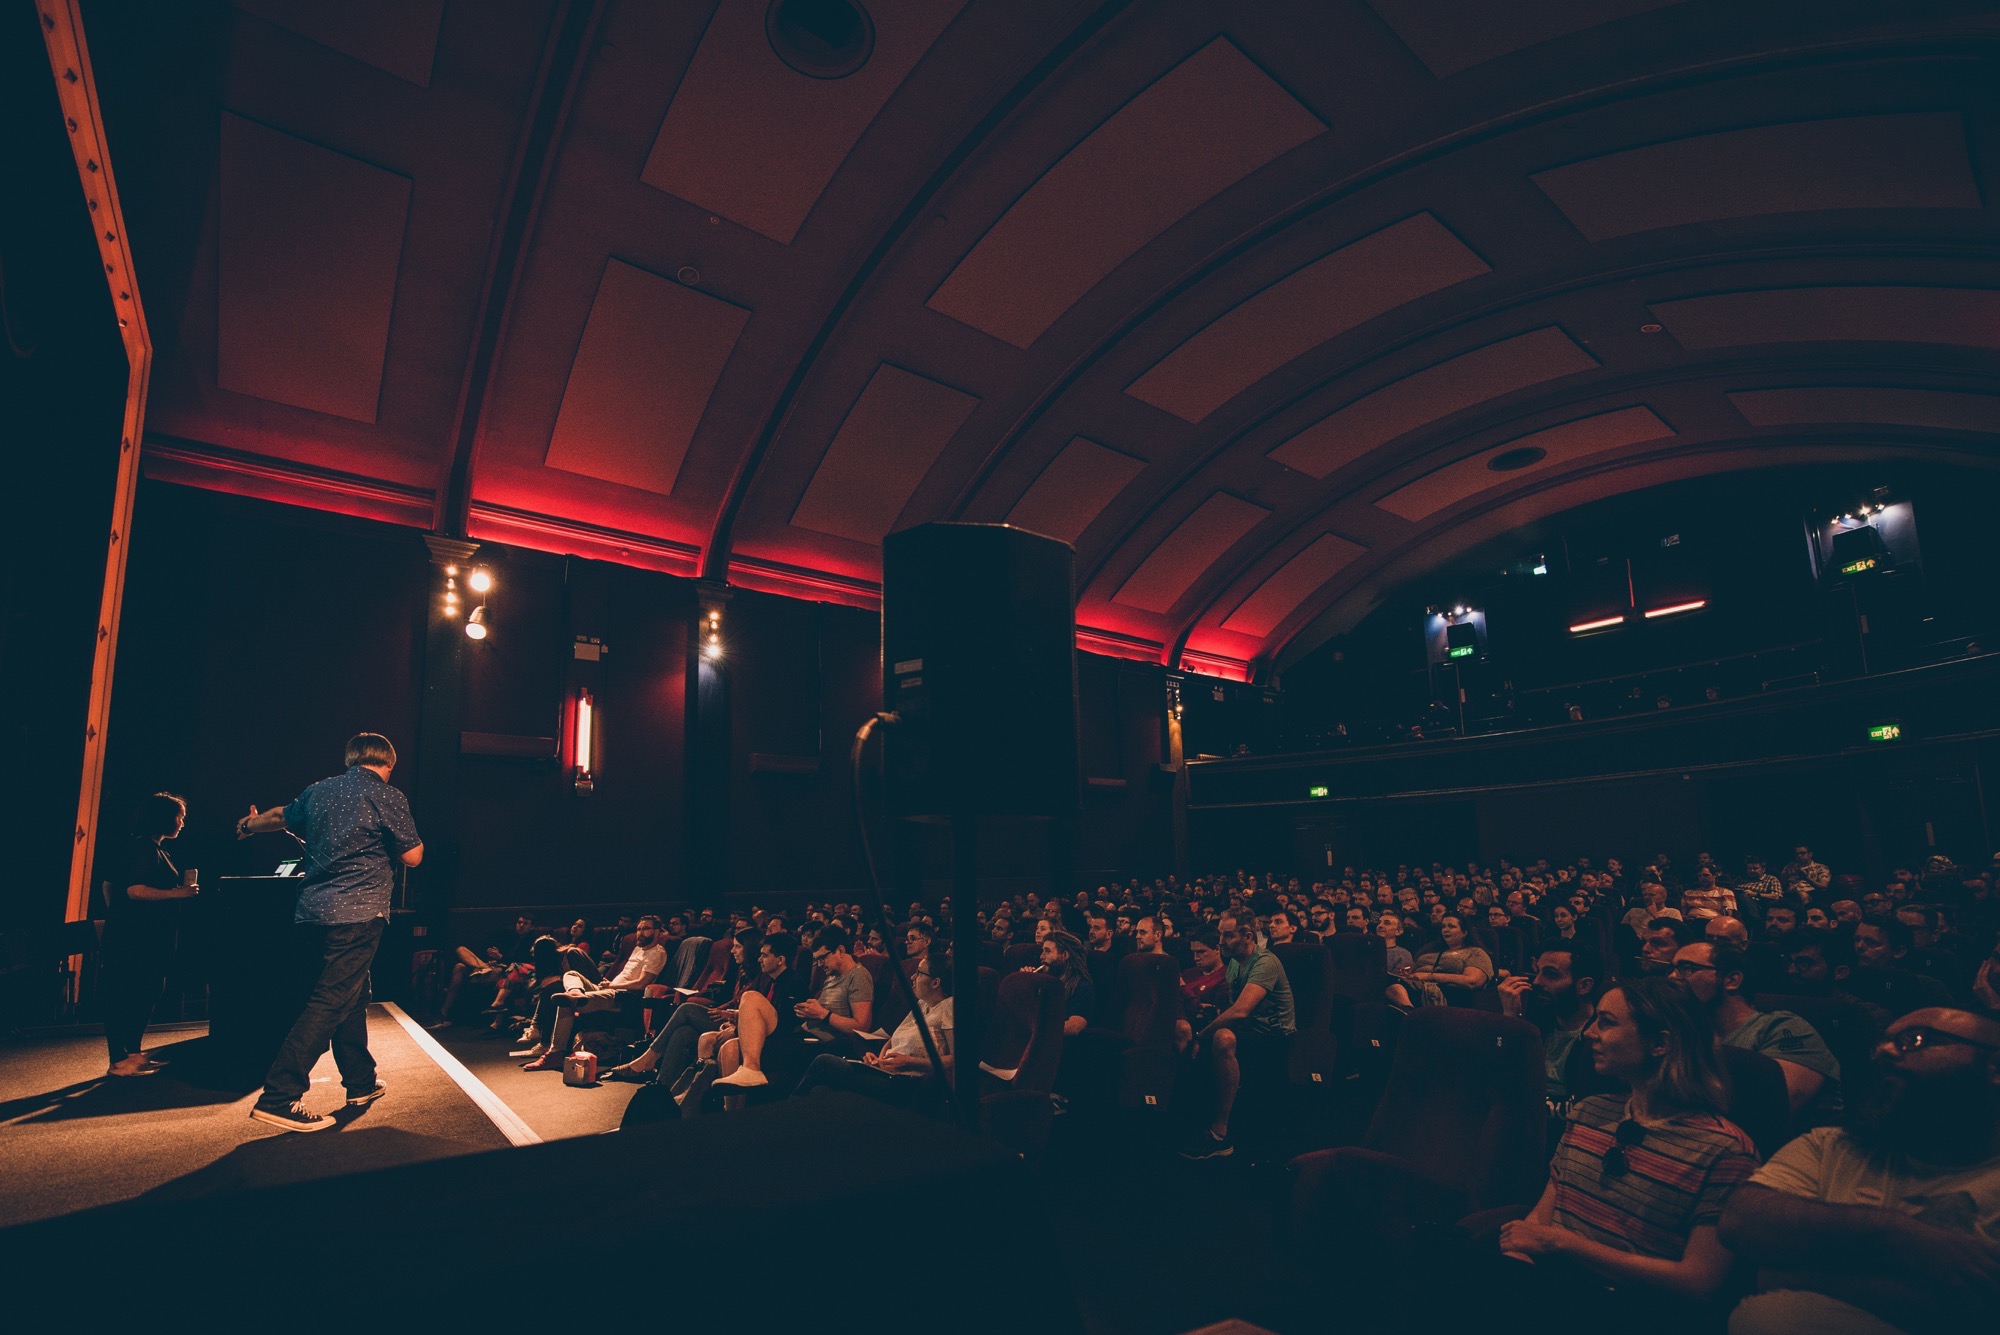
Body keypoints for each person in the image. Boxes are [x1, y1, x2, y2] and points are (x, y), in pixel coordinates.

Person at [1721, 1008, 2000, 1334]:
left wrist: (1791, 1276)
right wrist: (1896, 1235)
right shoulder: (1832, 1144)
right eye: (1880, 1044)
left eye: (1914, 1041)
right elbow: (1742, 1219)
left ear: (1994, 1068)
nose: (1885, 1051)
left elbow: (1976, 1312)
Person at [1498, 977, 1757, 1305]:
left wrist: (1564, 1244)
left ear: (1659, 1043)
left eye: (1605, 1023)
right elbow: (1543, 1218)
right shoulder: (1589, 1112)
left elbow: (1699, 1280)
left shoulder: (1724, 1151)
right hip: (1551, 1287)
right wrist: (1518, 1259)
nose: (1590, 1033)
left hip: (1633, 1309)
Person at [235, 733, 422, 1132]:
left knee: (353, 994)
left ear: (351, 759)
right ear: (388, 763)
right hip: (358, 913)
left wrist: (249, 824)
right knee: (331, 1000)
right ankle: (279, 1096)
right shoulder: (388, 796)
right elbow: (414, 855)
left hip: (313, 913)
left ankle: (361, 1082)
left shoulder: (319, 791)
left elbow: (277, 817)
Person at [1672, 942, 1841, 1125]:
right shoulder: (1687, 1034)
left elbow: (1769, 1111)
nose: (1672, 977)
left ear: (1731, 980)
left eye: (1687, 969)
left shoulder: (1781, 1028)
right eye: (1672, 969)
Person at [100, 791, 200, 1077]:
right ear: (164, 818)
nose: (182, 822)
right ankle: (121, 1061)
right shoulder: (143, 849)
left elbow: (109, 886)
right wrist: (177, 893)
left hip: (137, 936)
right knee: (132, 994)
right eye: (179, 816)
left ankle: (132, 1054)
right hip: (135, 940)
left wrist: (119, 917)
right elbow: (135, 890)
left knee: (144, 991)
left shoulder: (150, 848)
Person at [1182, 910, 1294, 1159]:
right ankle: (1189, 1119)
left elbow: (1241, 1012)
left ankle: (1220, 1134)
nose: (1221, 941)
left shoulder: (1265, 962)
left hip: (1275, 1036)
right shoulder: (1234, 963)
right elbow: (1233, 1010)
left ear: (1248, 935)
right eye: (1221, 934)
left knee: (1221, 1037)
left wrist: (1202, 1035)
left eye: (1228, 935)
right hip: (1251, 1031)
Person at [793, 945, 954, 1112]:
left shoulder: (949, 1008)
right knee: (820, 1091)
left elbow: (956, 1060)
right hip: (885, 1072)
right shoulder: (922, 1004)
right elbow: (893, 1039)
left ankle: (787, 1111)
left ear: (935, 982)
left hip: (907, 1084)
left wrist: (910, 1062)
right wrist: (879, 1059)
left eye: (919, 973)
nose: (913, 977)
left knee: (825, 1062)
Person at [520, 916, 665, 1070]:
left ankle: (554, 1054)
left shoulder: (657, 953)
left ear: (657, 932)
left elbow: (642, 983)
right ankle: (575, 993)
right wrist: (607, 984)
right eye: (639, 929)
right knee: (572, 975)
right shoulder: (638, 949)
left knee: (566, 1002)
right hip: (608, 988)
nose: (640, 933)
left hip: (622, 996)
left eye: (646, 929)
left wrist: (613, 985)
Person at [1500, 945, 1601, 1106]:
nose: (1536, 981)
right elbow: (1503, 1069)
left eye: (1551, 975)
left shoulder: (1599, 1037)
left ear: (1584, 986)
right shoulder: (1538, 1021)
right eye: (1538, 971)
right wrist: (1510, 1019)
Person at [1411, 915, 1494, 1006]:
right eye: (1443, 926)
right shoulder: (1431, 950)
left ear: (1464, 932)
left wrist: (1429, 976)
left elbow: (1472, 981)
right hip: (1415, 986)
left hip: (1447, 994)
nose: (1445, 930)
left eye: (1451, 926)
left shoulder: (1475, 952)